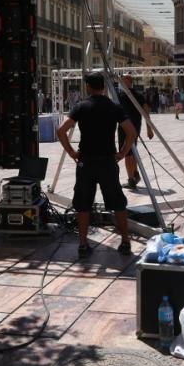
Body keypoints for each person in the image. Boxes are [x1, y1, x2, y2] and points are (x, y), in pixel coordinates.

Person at [57, 71, 136, 258]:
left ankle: (83, 245)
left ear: (88, 87)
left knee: (83, 204)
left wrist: (71, 152)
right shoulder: (114, 107)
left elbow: (61, 131)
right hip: (108, 160)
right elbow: (131, 132)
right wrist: (122, 153)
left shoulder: (81, 107)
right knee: (118, 202)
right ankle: (125, 242)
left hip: (86, 162)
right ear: (104, 87)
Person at [116, 73, 154, 188]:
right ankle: (135, 173)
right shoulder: (137, 94)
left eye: (123, 80)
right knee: (133, 152)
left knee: (127, 153)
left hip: (125, 127)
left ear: (128, 81)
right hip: (135, 127)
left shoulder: (122, 95)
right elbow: (146, 110)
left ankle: (131, 180)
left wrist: (149, 129)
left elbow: (146, 110)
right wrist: (149, 129)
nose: (121, 82)